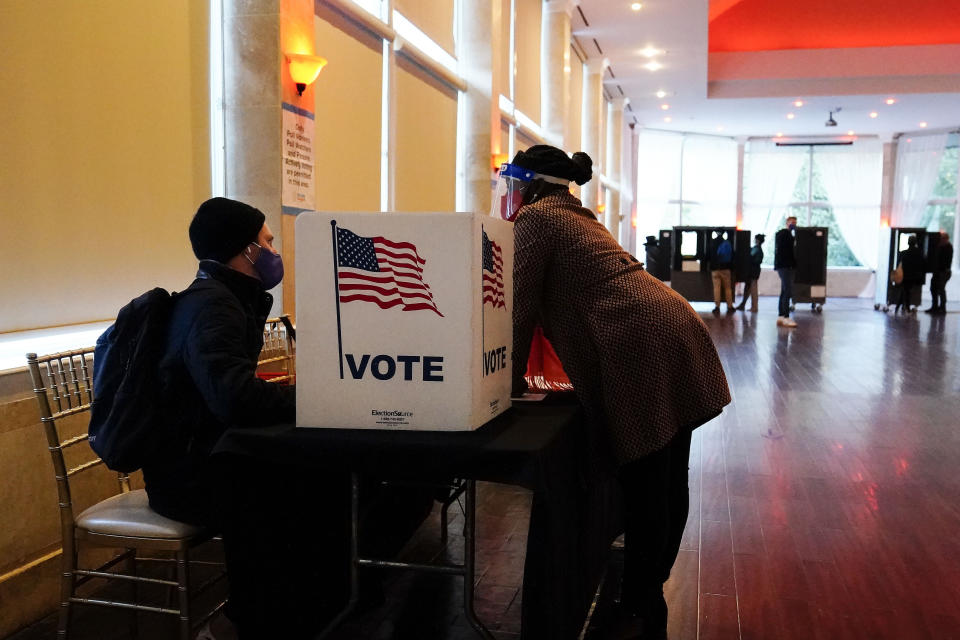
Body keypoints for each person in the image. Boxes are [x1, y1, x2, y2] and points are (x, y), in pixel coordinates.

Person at [506, 145, 731, 640]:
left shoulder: (538, 220)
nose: (509, 192)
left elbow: (518, 308)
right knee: (670, 471)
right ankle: (646, 589)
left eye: (512, 183)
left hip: (641, 343)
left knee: (649, 477)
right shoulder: (576, 215)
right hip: (671, 324)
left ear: (527, 184)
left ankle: (635, 603)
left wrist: (505, 382)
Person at [144, 197, 296, 637]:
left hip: (198, 461)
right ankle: (239, 622)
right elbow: (234, 400)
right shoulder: (215, 307)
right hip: (190, 478)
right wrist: (309, 399)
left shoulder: (219, 297)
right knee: (300, 490)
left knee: (308, 480)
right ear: (245, 250)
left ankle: (285, 607)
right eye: (266, 240)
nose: (272, 249)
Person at [774, 216, 798, 327]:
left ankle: (781, 316)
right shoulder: (783, 234)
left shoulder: (790, 235)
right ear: (787, 223)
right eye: (791, 222)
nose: (793, 224)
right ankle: (786, 317)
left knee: (784, 290)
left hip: (785, 266)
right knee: (787, 290)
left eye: (795, 223)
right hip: (784, 266)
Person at [895, 235, 924, 313]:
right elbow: (922, 264)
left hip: (904, 276)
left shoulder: (903, 253)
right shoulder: (919, 253)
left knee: (905, 291)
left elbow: (898, 265)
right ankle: (904, 307)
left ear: (908, 243)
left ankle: (902, 307)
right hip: (915, 276)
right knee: (906, 291)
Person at [926, 232, 953, 315]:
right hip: (937, 271)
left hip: (944, 272)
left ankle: (942, 308)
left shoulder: (948, 247)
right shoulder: (940, 247)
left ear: (946, 239)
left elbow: (945, 261)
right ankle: (934, 306)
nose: (941, 240)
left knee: (941, 289)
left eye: (942, 239)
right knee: (933, 288)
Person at [736, 234, 764, 312]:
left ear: (757, 240)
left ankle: (754, 307)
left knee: (753, 290)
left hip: (753, 273)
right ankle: (743, 305)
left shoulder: (757, 250)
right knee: (747, 289)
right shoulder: (757, 249)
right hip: (752, 272)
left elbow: (753, 259)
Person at [710, 230, 735, 315]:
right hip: (725, 268)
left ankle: (717, 307)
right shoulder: (727, 243)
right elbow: (732, 256)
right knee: (728, 288)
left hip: (715, 269)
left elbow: (708, 255)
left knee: (716, 288)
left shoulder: (712, 242)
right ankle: (730, 306)